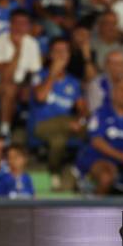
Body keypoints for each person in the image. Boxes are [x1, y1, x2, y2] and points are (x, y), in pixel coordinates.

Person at [0, 8, 42, 137]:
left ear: (28, 26)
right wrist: (17, 52)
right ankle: (4, 130)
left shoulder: (32, 43)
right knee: (9, 88)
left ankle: (31, 128)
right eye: (17, 23)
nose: (20, 27)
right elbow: (5, 76)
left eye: (24, 23)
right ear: (10, 24)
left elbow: (33, 73)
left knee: (34, 89)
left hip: (19, 85)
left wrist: (26, 87)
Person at [32, 38, 86, 186]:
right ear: (50, 55)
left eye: (65, 51)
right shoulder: (40, 75)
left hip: (66, 128)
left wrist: (80, 120)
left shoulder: (73, 82)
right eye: (58, 51)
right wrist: (52, 74)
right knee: (67, 121)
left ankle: (55, 171)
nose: (62, 55)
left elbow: (82, 109)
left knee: (59, 141)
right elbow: (40, 97)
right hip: (42, 125)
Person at [75, 79, 123, 193]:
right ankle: (94, 208)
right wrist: (121, 156)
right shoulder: (101, 114)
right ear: (113, 94)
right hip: (97, 158)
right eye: (122, 90)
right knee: (106, 176)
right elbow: (96, 141)